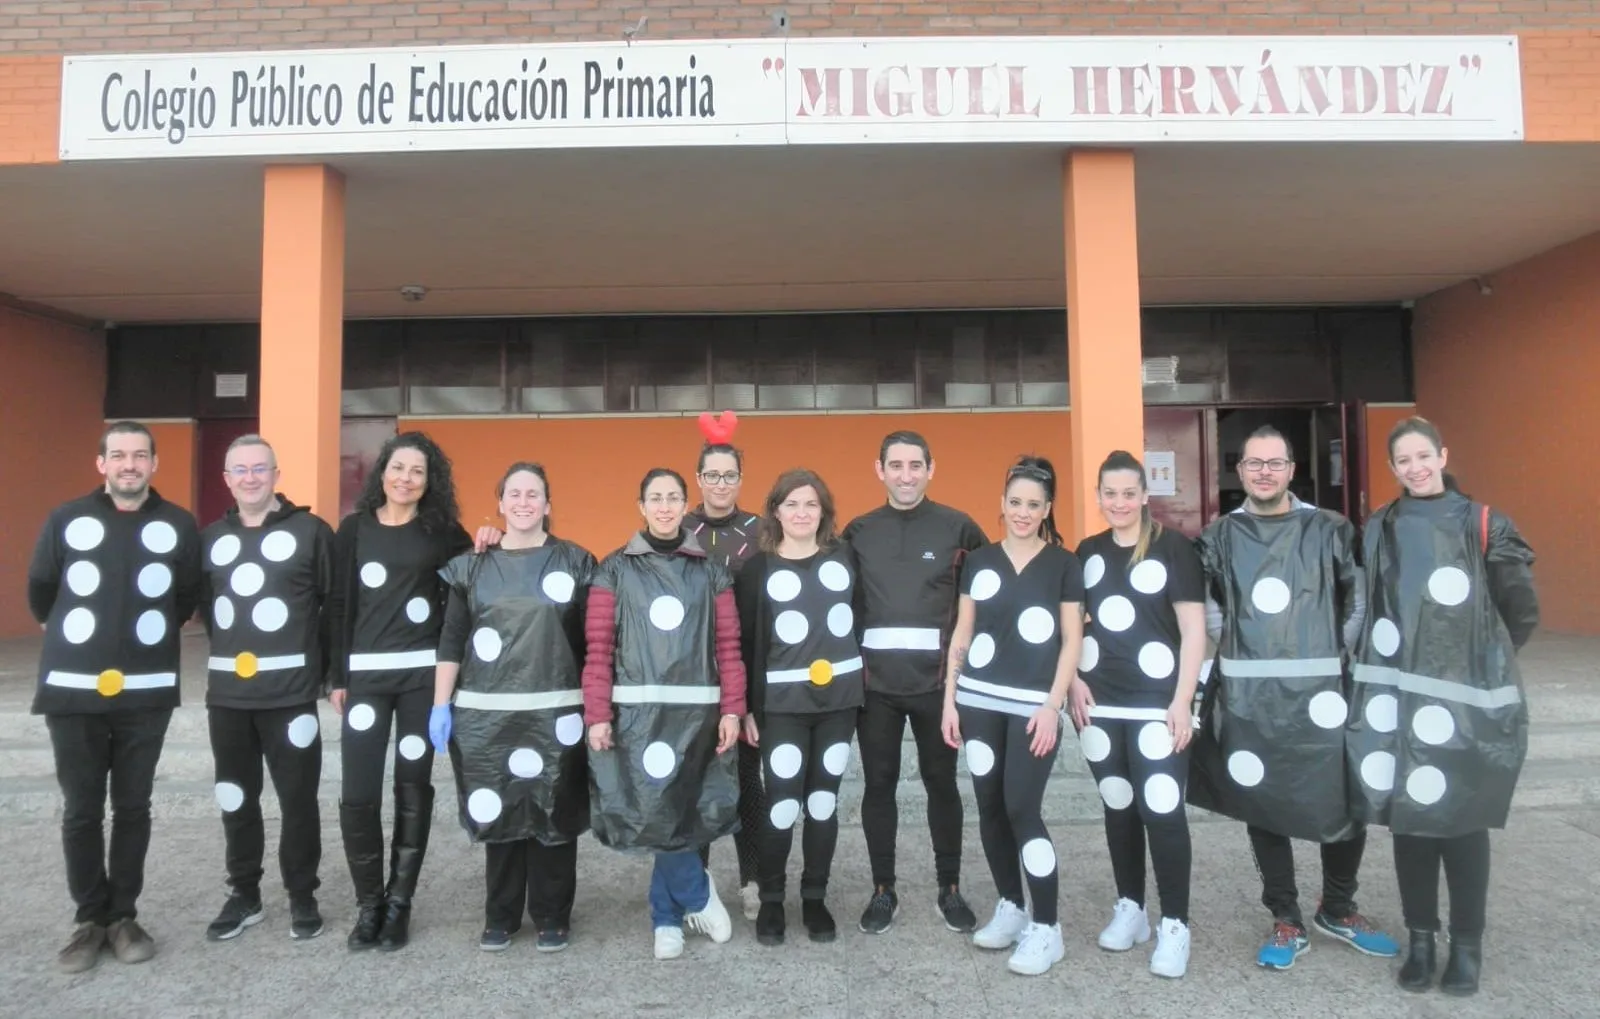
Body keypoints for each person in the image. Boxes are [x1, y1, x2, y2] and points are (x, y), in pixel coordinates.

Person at [1189, 425, 1400, 970]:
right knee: (1264, 801)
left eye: (1275, 463)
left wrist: (1334, 660)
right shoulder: (1219, 536)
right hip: (1252, 694)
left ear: (1291, 469)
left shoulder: (1329, 528)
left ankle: (1338, 906)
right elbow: (1206, 604)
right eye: (1254, 463)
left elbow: (1356, 601)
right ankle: (1286, 917)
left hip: (1326, 691)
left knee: (1344, 796)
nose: (1264, 472)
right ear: (1240, 473)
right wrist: (1232, 647)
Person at [1347, 418, 1538, 997]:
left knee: (1463, 822)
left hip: (1466, 701)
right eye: (1403, 460)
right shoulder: (1381, 525)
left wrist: (1482, 663)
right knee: (1412, 819)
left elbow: (1519, 608)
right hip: (1401, 698)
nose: (1415, 467)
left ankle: (1467, 946)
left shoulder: (1484, 522)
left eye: (1423, 456)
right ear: (1393, 467)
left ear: (1442, 455)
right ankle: (1422, 940)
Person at [28, 420, 202, 973]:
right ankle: (89, 920)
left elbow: (185, 597)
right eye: (119, 455)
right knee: (82, 810)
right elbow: (41, 590)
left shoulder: (178, 524)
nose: (130, 464)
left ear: (154, 464)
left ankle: (123, 916)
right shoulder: (67, 519)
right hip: (73, 689)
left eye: (140, 455)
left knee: (132, 807)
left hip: (146, 690)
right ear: (101, 464)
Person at [581, 467, 747, 960]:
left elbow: (729, 647)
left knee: (681, 812)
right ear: (642, 506)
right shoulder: (613, 568)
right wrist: (597, 713)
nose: (665, 506)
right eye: (656, 497)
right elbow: (598, 649)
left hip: (699, 714)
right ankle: (694, 898)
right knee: (657, 813)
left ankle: (667, 919)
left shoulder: (710, 570)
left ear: (684, 504)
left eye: (674, 497)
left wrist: (733, 709)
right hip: (636, 716)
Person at [429, 462, 596, 953]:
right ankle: (500, 915)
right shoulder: (473, 564)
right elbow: (452, 640)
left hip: (558, 712)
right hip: (486, 715)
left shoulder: (576, 563)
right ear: (499, 504)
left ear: (548, 505)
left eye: (534, 494)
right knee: (500, 812)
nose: (524, 502)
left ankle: (551, 915)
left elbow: (594, 641)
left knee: (553, 812)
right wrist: (442, 704)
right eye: (514, 494)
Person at [327, 431, 473, 952]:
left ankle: (400, 903)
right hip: (365, 677)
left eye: (418, 471)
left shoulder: (440, 532)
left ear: (429, 481)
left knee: (413, 789)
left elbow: (475, 567)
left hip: (419, 678)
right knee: (359, 792)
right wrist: (336, 676)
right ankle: (370, 905)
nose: (406, 479)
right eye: (399, 468)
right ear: (382, 471)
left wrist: (489, 537)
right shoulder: (353, 531)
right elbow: (339, 606)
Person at [941, 456, 1083, 976]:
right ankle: (1011, 905)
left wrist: (1053, 704)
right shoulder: (978, 562)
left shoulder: (1064, 564)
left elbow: (1072, 641)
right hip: (978, 702)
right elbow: (963, 632)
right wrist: (950, 699)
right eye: (1015, 503)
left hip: (1032, 709)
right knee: (990, 808)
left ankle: (1047, 927)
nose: (1023, 513)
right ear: (1001, 505)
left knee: (1023, 808)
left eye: (1033, 505)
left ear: (1047, 509)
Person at [1068, 451, 1206, 979]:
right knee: (1119, 806)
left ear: (1146, 495)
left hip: (1157, 703)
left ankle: (1176, 923)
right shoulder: (1088, 551)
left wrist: (1182, 701)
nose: (1119, 503)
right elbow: (1074, 625)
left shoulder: (1174, 549)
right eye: (1110, 493)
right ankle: (1132, 906)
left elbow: (1193, 629)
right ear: (1099, 496)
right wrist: (1075, 680)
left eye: (1129, 493)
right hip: (1101, 703)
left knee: (1163, 809)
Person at [843, 430, 987, 935]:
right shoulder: (858, 531)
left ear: (931, 468)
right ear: (879, 470)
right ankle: (884, 889)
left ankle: (949, 887)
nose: (906, 475)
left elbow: (983, 604)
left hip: (937, 688)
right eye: (896, 465)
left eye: (915, 465)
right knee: (877, 786)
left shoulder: (960, 528)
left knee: (941, 784)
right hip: (875, 688)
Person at [197, 435, 334, 943]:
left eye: (260, 468)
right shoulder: (209, 538)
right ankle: (245, 894)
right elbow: (210, 612)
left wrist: (327, 673)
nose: (250, 478)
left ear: (277, 475)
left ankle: (303, 895)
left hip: (292, 695)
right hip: (228, 696)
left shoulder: (312, 532)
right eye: (240, 470)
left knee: (298, 800)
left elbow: (333, 606)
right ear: (227, 479)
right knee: (236, 796)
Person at [735, 468, 863, 946]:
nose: (802, 513)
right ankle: (771, 900)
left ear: (824, 513)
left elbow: (861, 619)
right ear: (776, 511)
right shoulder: (757, 569)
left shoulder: (846, 557)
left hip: (839, 703)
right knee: (782, 804)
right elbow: (749, 643)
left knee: (823, 802)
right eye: (792, 504)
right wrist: (747, 708)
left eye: (811, 505)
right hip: (781, 705)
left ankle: (814, 897)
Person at [683, 420, 766, 921]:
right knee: (694, 782)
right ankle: (696, 884)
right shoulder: (678, 529)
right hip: (690, 675)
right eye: (711, 475)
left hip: (746, 671)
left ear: (740, 479)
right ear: (698, 479)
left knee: (747, 782)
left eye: (729, 475)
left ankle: (753, 879)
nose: (720, 483)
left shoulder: (762, 532)